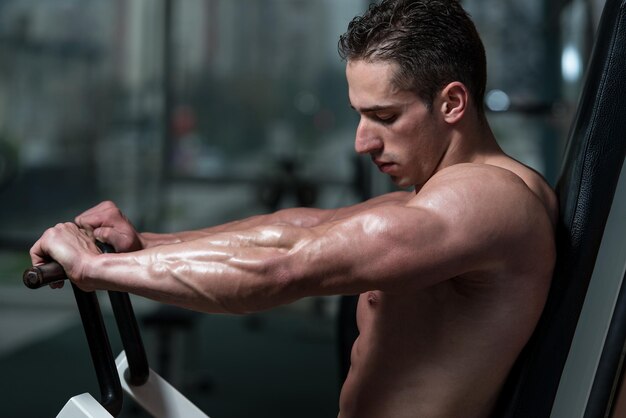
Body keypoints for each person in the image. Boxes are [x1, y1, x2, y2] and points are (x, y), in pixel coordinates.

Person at [29, 0, 558, 417]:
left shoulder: (488, 200)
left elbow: (288, 266)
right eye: (358, 116)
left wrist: (99, 268)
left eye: (384, 116)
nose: (361, 143)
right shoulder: (448, 190)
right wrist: (143, 244)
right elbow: (301, 228)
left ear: (451, 103)